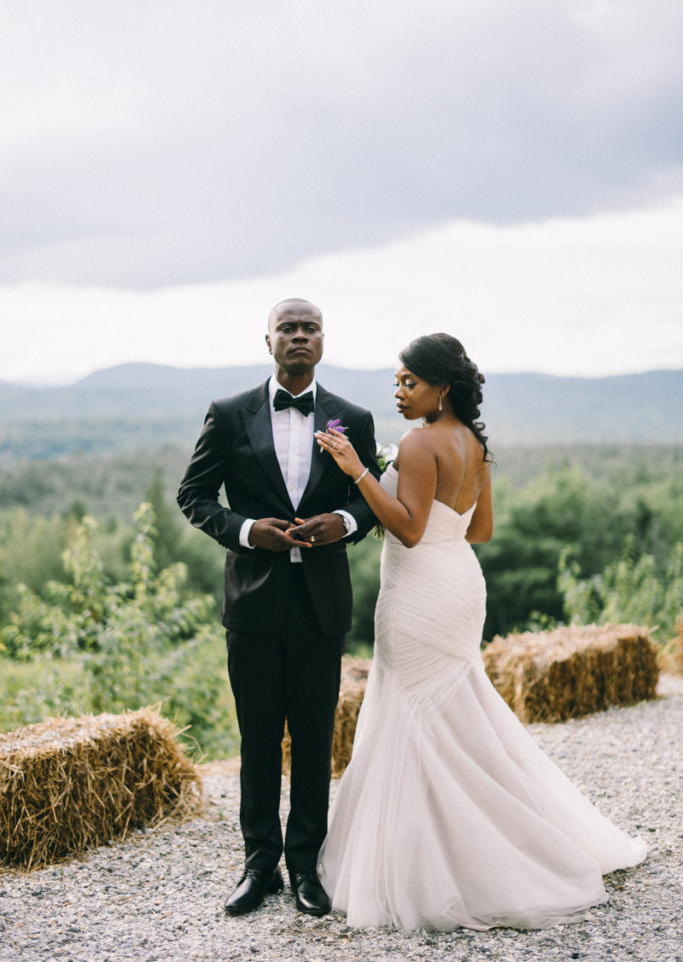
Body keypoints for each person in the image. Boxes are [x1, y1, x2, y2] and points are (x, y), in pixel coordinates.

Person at [314, 332, 647, 931]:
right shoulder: (475, 444)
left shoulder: (417, 445)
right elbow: (480, 530)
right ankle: (488, 838)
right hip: (460, 585)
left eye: (409, 382)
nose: (398, 392)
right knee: (453, 713)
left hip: (418, 594)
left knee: (415, 713)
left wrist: (361, 472)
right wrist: (428, 518)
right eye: (396, 381)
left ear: (442, 387)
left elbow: (409, 532)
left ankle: (431, 868)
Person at [177, 298, 380, 918]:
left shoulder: (353, 416)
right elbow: (193, 495)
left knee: (316, 739)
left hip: (321, 605)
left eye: (309, 327)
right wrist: (246, 531)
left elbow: (372, 498)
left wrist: (341, 522)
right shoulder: (229, 413)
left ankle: (305, 867)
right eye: (287, 328)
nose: (299, 336)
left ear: (323, 340)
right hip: (254, 605)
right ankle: (258, 862)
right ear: (267, 340)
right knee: (259, 737)